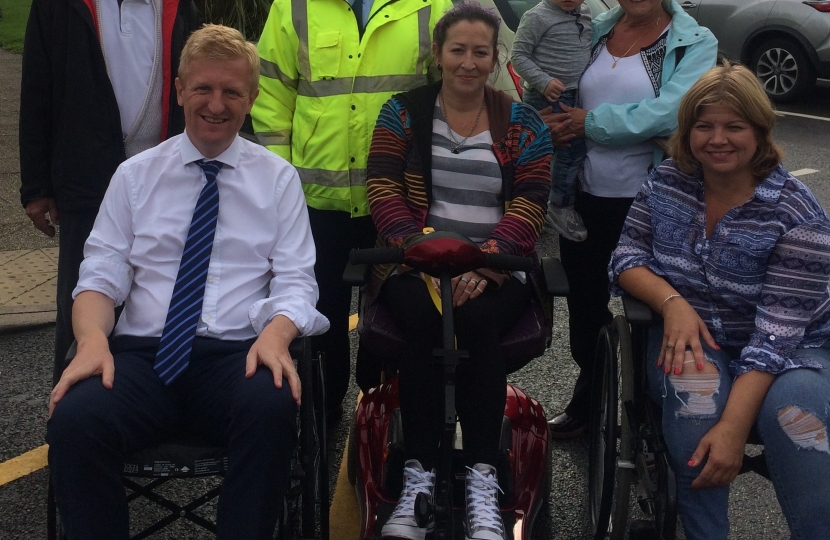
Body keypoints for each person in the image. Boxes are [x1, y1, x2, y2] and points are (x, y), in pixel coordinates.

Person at [45, 25, 329, 540]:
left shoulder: (279, 180)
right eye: (203, 88)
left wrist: (277, 334)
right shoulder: (134, 176)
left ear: (252, 99)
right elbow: (100, 275)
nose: (216, 104)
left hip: (235, 357)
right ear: (178, 90)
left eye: (231, 92)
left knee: (272, 406)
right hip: (141, 357)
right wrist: (89, 341)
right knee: (75, 418)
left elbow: (295, 282)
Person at [609, 61, 830, 540]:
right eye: (703, 126)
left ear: (761, 130)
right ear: (686, 132)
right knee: (695, 404)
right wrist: (672, 303)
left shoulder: (797, 213)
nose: (718, 139)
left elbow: (775, 337)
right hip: (698, 333)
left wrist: (734, 429)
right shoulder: (668, 182)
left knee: (796, 420)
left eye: (735, 126)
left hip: (792, 349)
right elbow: (627, 255)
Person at [365, 4, 553, 539]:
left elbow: (532, 199)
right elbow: (383, 189)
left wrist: (488, 260)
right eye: (458, 50)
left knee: (474, 322)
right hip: (415, 261)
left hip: (496, 264)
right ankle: (419, 475)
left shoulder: (522, 121)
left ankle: (482, 474)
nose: (468, 62)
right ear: (438, 54)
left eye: (480, 52)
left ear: (495, 59)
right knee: (425, 324)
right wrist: (423, 249)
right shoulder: (400, 113)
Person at [251, 0, 453, 419]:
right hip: (315, 200)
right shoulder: (293, 6)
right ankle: (321, 413)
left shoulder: (431, 6)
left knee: (398, 307)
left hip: (397, 198)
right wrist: (279, 182)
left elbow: (446, 93)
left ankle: (387, 408)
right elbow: (271, 96)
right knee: (320, 310)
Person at [541, 0, 717, 438]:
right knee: (584, 307)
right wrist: (552, 120)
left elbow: (672, 112)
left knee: (651, 312)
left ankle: (654, 414)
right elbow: (559, 87)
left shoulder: (693, 41)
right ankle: (590, 397)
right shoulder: (595, 29)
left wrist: (591, 124)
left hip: (652, 199)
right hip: (583, 194)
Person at [18, 0, 199, 384]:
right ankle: (74, 422)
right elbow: (37, 87)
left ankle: (146, 415)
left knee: (159, 303)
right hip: (87, 181)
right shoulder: (58, 6)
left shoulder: (179, 3)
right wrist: (36, 186)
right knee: (84, 304)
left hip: (165, 178)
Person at [510, 0, 591, 242]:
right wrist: (543, 81)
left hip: (573, 92)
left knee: (554, 152)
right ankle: (560, 206)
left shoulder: (585, 12)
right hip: (545, 94)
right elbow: (518, 55)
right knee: (570, 149)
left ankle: (538, 206)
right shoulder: (537, 16)